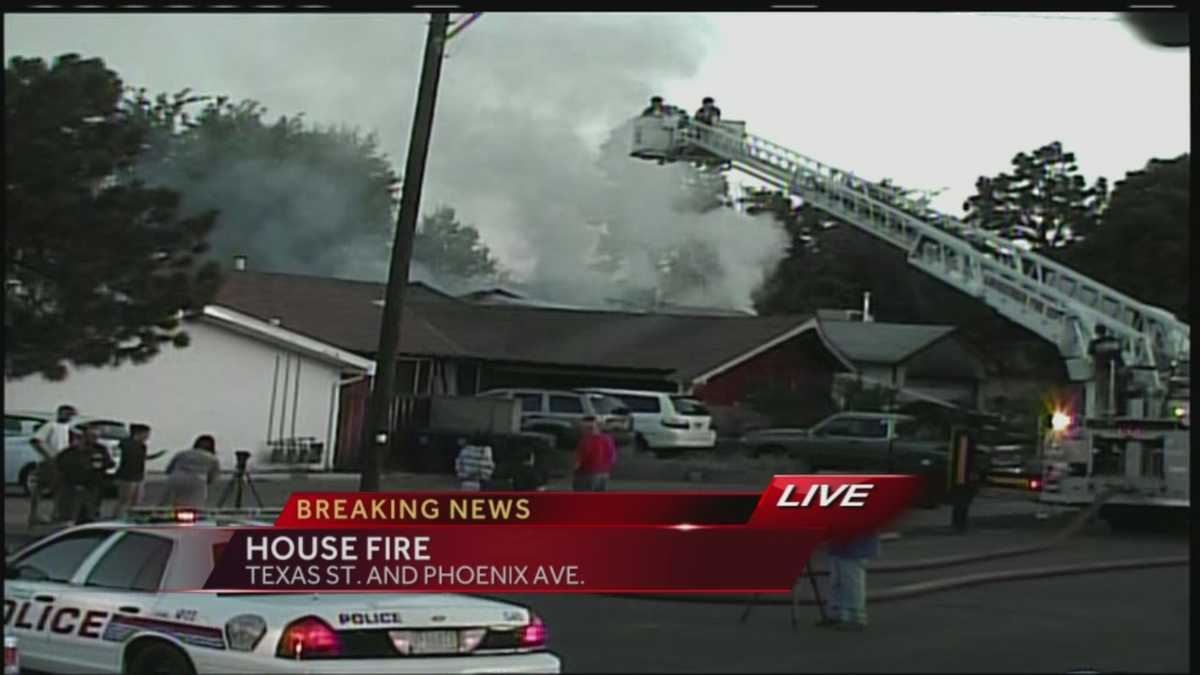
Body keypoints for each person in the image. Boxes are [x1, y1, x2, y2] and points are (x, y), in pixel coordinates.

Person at [818, 530, 881, 631]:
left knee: (851, 581)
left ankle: (855, 617)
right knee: (837, 580)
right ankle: (838, 614)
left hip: (853, 544)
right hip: (839, 544)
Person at [28, 404, 77, 525]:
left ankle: (56, 515)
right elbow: (36, 441)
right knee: (40, 489)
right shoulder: (51, 425)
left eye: (70, 414)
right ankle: (34, 515)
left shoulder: (69, 429)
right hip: (48, 463)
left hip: (63, 464)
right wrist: (49, 456)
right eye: (66, 413)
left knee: (60, 490)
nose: (68, 416)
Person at [54, 427, 113, 524]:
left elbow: (109, 463)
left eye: (96, 437)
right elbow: (61, 465)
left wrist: (100, 465)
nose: (94, 439)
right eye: (92, 436)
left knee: (90, 513)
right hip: (72, 487)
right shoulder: (69, 452)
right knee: (70, 514)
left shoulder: (100, 449)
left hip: (93, 486)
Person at [111, 424, 164, 518]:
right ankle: (117, 517)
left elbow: (143, 458)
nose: (147, 437)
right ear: (139, 433)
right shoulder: (125, 444)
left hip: (138, 476)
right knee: (124, 499)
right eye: (146, 434)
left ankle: (131, 517)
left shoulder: (142, 446)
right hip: (127, 476)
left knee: (136, 500)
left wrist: (155, 456)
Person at [163, 435, 221, 508]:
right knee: (195, 504)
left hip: (176, 478)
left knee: (175, 500)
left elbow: (169, 470)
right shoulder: (212, 458)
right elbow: (212, 477)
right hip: (197, 480)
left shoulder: (182, 453)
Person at [573, 417, 616, 492]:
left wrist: (575, 470)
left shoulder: (585, 441)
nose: (582, 430)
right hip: (604, 473)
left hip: (587, 473)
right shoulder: (608, 439)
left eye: (583, 428)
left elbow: (579, 461)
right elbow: (613, 457)